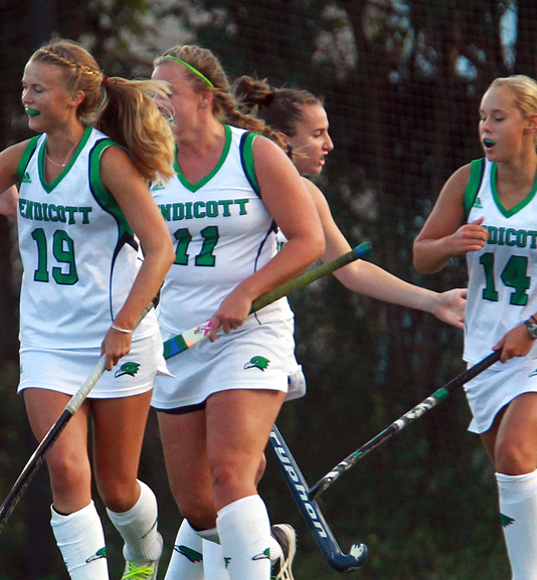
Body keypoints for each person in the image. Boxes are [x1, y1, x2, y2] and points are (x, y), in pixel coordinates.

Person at [0, 39, 176, 580]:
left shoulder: (108, 161)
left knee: (117, 488)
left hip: (118, 338)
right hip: (46, 339)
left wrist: (124, 325)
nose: (26, 97)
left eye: (38, 88)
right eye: (24, 87)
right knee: (66, 472)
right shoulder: (22, 158)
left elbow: (160, 249)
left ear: (76, 97)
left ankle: (142, 553)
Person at [146, 45, 324, 580]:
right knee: (199, 507)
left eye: (167, 94)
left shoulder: (257, 154)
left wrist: (247, 291)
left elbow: (307, 241)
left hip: (251, 333)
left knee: (230, 473)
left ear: (204, 97)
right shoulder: (148, 163)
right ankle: (267, 552)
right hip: (178, 340)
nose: (156, 105)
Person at [414, 74, 537, 580]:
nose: (485, 127)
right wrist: (451, 244)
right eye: (482, 117)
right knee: (523, 473)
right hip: (486, 353)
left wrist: (535, 329)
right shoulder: (469, 180)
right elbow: (422, 257)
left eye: (497, 118)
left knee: (516, 452)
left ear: (531, 124)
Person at [233, 77, 467, 326]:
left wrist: (435, 301)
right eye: (317, 134)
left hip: (258, 331)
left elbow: (352, 271)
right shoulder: (230, 189)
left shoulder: (308, 195)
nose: (329, 145)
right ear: (282, 140)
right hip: (201, 323)